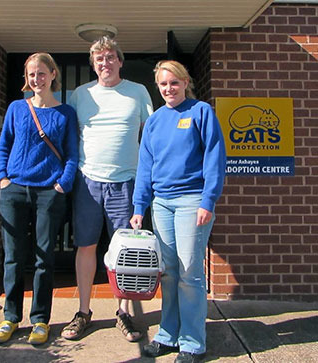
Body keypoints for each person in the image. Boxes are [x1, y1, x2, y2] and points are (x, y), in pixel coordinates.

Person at [130, 60, 226, 363]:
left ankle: (193, 343)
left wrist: (207, 201)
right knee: (169, 273)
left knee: (189, 274)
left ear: (185, 83)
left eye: (174, 82)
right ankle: (168, 335)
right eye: (163, 85)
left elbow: (215, 159)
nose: (168, 89)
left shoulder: (201, 113)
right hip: (162, 204)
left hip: (191, 202)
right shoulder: (156, 121)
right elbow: (145, 166)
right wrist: (138, 206)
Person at [61, 36, 153, 342]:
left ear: (120, 61)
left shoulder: (138, 92)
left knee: (125, 252)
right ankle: (83, 312)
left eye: (111, 57)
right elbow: (67, 136)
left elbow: (152, 136)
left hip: (126, 182)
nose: (105, 63)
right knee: (85, 246)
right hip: (87, 182)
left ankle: (123, 312)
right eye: (99, 59)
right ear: (93, 64)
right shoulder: (80, 94)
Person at [0, 52, 78, 345]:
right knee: (13, 257)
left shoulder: (65, 113)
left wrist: (62, 185)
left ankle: (40, 320)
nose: (36, 79)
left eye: (41, 73)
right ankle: (10, 317)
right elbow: (3, 144)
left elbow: (71, 155)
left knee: (44, 258)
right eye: (31, 75)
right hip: (14, 189)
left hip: (48, 193)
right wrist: (1, 179)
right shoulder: (17, 108)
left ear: (53, 74)